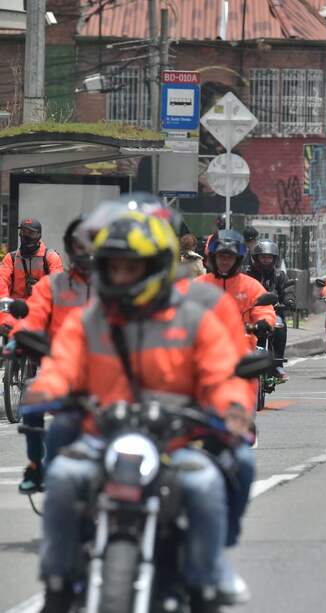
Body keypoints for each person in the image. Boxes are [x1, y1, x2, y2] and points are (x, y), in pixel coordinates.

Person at [27, 209, 252, 612]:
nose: (121, 275)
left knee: (205, 486)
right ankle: (58, 582)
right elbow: (63, 363)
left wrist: (232, 408)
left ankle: (204, 581)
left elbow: (222, 375)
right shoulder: (88, 319)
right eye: (114, 266)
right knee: (61, 476)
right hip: (104, 438)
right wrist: (47, 389)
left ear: (154, 268)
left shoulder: (193, 321)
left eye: (132, 266)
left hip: (175, 442)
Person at [13, 217, 92, 494]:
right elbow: (32, 316)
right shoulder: (53, 286)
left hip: (108, 373)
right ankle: (36, 465)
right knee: (32, 397)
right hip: (61, 366)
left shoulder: (118, 287)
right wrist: (18, 335)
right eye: (80, 246)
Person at [198, 229, 277, 350]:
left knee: (264, 363)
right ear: (213, 257)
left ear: (237, 259)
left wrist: (264, 322)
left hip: (242, 350)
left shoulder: (251, 286)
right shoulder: (198, 285)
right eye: (221, 256)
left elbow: (263, 309)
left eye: (229, 257)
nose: (225, 260)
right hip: (205, 348)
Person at [245, 239, 293, 380]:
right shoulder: (247, 275)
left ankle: (277, 364)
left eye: (269, 257)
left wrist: (289, 300)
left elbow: (287, 290)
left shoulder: (279, 275)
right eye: (263, 257)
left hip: (273, 313)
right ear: (256, 258)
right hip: (250, 314)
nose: (266, 260)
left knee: (280, 326)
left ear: (274, 259)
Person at [0, 218, 64, 302]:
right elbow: (2, 282)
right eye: (23, 232)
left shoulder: (51, 257)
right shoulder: (11, 258)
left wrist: (41, 289)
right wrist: (4, 301)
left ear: (39, 235)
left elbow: (58, 286)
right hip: (15, 307)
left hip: (42, 306)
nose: (26, 236)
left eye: (31, 233)